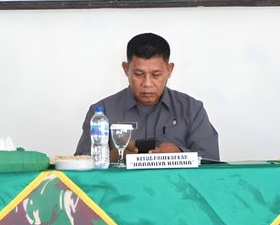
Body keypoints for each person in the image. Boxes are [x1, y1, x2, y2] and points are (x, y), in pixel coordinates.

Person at [74, 32, 220, 160]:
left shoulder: (191, 109)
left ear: (169, 70)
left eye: (156, 75)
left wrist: (181, 155)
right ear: (126, 69)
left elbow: (212, 163)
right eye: (139, 74)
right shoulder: (102, 112)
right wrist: (112, 156)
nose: (147, 84)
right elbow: (80, 165)